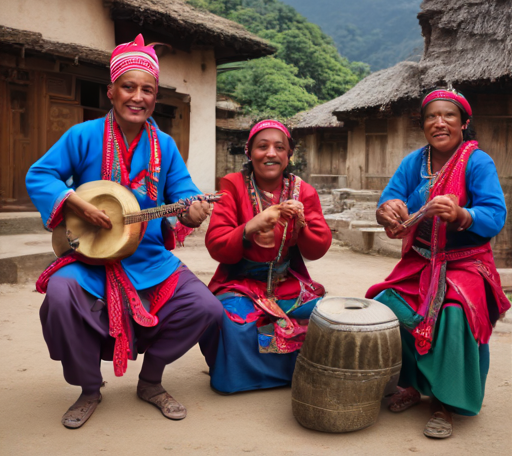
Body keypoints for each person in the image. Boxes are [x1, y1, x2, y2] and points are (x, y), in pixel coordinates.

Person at [26, 34, 223, 429]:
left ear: (155, 97)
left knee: (206, 308)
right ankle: (88, 388)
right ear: (112, 92)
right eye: (129, 87)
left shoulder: (164, 145)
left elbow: (183, 194)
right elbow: (41, 174)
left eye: (147, 89)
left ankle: (151, 382)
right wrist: (72, 201)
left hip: (147, 257)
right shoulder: (82, 136)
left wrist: (192, 213)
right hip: (91, 257)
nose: (138, 96)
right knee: (61, 296)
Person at [366, 88, 511, 439]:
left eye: (448, 115)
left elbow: (495, 215)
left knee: (454, 314)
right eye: (431, 116)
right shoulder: (413, 162)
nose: (439, 122)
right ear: (423, 124)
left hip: (466, 263)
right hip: (421, 261)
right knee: (386, 304)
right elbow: (390, 199)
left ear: (464, 122)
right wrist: (386, 210)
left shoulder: (478, 162)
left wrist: (462, 213)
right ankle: (413, 385)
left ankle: (444, 403)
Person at [205, 120, 332, 394]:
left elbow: (318, 248)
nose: (271, 153)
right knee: (231, 322)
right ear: (249, 153)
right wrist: (250, 228)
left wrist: (301, 227)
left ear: (289, 155)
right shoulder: (232, 185)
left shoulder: (304, 192)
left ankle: (296, 371)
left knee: (326, 317)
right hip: (240, 283)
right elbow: (216, 245)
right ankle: (247, 378)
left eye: (279, 147)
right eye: (262, 147)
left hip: (288, 284)